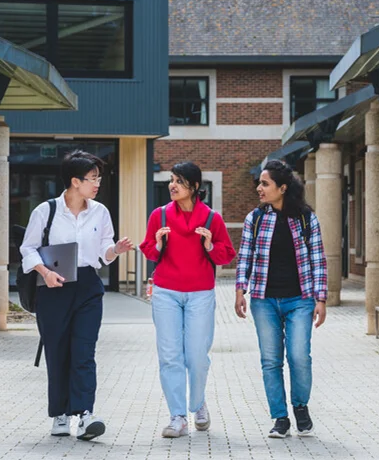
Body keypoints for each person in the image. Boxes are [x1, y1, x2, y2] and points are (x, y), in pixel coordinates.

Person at [19, 150, 134, 441]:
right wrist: (45, 273)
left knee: (84, 352)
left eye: (98, 178)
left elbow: (103, 253)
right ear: (74, 181)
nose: (97, 184)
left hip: (87, 286)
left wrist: (116, 250)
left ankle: (84, 415)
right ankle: (59, 414)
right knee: (57, 352)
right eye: (92, 178)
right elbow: (28, 249)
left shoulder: (100, 212)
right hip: (54, 286)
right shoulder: (46, 211)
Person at [139, 162, 236, 438]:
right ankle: (178, 416)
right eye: (171, 180)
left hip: (200, 294)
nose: (173, 185)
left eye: (179, 181)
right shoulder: (159, 216)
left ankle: (198, 403)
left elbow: (226, 254)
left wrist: (210, 246)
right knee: (170, 356)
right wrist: (157, 243)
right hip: (166, 293)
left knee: (196, 356)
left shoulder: (211, 219)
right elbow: (149, 251)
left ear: (194, 187)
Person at [234, 159, 328, 439]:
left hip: (300, 299)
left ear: (282, 188)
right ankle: (280, 417)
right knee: (270, 360)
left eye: (265, 183)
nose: (259, 188)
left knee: (299, 356)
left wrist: (320, 299)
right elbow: (246, 256)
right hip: (264, 299)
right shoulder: (256, 218)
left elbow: (318, 259)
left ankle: (300, 406)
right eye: (259, 183)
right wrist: (240, 289)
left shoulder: (305, 218)